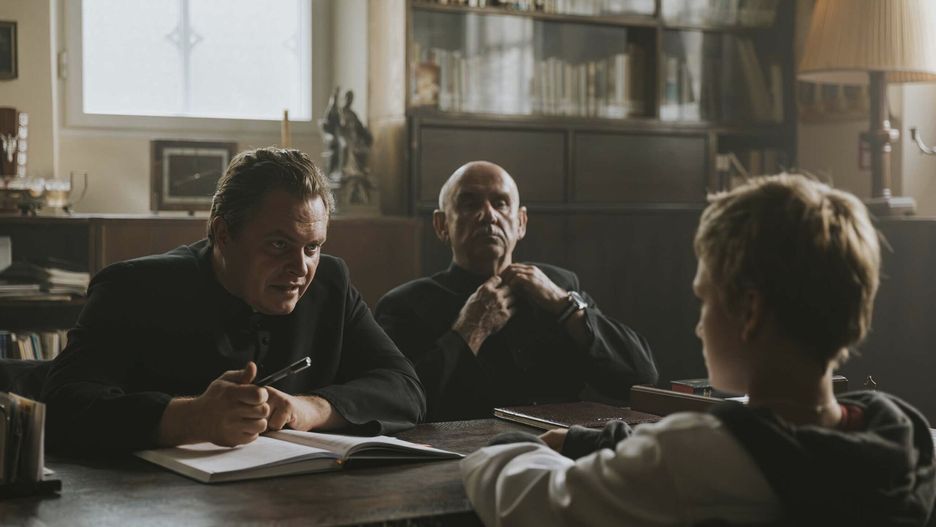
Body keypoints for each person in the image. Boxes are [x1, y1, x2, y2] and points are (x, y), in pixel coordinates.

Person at [460, 174, 936, 526]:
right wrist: (594, 441)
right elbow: (745, 436)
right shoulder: (904, 438)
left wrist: (507, 447)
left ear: (750, 312)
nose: (699, 324)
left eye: (705, 300)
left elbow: (528, 499)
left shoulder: (694, 461)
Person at [42, 147, 426, 455]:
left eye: (313, 247)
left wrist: (305, 408)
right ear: (223, 234)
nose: (300, 268)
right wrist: (189, 418)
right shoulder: (133, 288)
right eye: (279, 244)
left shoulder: (331, 283)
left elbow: (404, 388)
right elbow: (61, 408)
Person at [374, 161, 658, 421]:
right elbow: (399, 403)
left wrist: (565, 305)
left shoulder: (559, 285)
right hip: (463, 451)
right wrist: (469, 330)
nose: (489, 215)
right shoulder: (405, 305)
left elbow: (642, 375)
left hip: (561, 447)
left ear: (520, 223)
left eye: (500, 203)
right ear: (441, 225)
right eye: (470, 204)